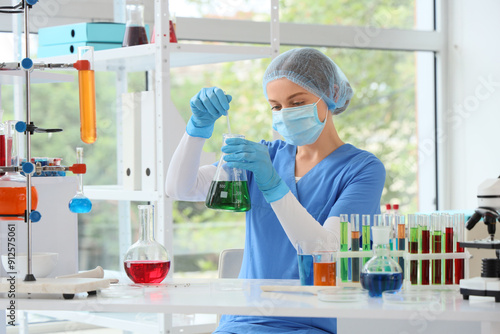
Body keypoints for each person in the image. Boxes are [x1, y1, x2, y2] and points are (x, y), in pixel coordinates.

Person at [166, 48, 385, 334]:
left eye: (297, 102)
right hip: (240, 323)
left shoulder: (361, 169)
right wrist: (197, 129)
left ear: (330, 94)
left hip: (306, 325)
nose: (285, 114)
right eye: (276, 106)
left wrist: (272, 185)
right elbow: (180, 188)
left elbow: (324, 249)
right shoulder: (263, 156)